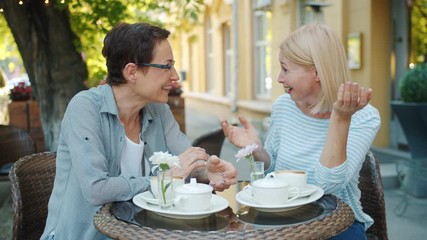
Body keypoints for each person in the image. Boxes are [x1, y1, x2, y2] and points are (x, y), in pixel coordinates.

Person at [41, 22, 237, 240]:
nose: (175, 76)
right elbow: (95, 189)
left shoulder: (159, 110)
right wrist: (161, 179)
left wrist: (207, 171)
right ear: (132, 72)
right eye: (166, 66)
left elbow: (186, 164)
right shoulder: (85, 108)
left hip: (141, 233)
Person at [222, 23, 380, 240]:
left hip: (337, 223)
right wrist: (256, 149)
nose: (279, 78)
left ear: (316, 72)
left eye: (285, 69)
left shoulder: (363, 116)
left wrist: (340, 118)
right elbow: (273, 174)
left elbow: (329, 185)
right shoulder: (283, 106)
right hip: (281, 218)